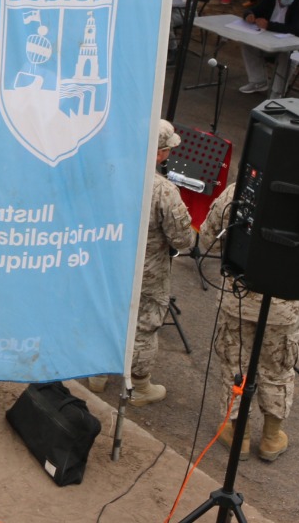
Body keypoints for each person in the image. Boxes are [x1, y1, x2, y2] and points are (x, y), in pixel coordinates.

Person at [87, 120, 195, 405]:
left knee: (107, 313)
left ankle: (97, 375)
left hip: (107, 261)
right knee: (144, 325)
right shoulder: (164, 191)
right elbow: (184, 241)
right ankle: (139, 386)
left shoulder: (107, 171)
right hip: (147, 271)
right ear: (159, 153)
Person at [197, 181, 299, 461]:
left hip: (239, 298)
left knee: (236, 365)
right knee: (277, 367)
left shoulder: (239, 192)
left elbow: (207, 238)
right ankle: (271, 438)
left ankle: (239, 435)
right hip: (283, 303)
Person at [238, 0, 299, 96]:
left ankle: (277, 92)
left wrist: (269, 25)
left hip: (296, 45)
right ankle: (258, 82)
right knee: (248, 44)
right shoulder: (270, 0)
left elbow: (294, 28)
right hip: (271, 43)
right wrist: (249, 15)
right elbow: (252, 10)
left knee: (288, 55)